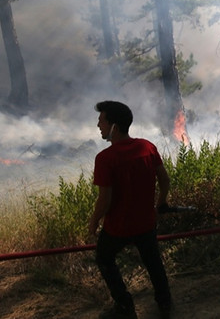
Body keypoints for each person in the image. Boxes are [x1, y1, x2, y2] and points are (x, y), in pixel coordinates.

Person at [88, 101, 173, 319]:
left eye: (102, 120)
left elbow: (104, 200)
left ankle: (125, 306)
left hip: (119, 227)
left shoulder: (106, 159)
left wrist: (94, 221)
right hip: (146, 223)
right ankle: (165, 302)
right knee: (153, 261)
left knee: (104, 259)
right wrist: (160, 202)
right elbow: (164, 180)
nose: (98, 124)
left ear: (114, 126)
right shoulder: (147, 147)